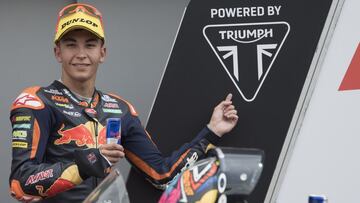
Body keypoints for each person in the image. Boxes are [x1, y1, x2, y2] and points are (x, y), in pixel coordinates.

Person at [9, 3, 238, 203]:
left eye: (90, 45)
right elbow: (20, 182)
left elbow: (162, 175)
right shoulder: (37, 101)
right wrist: (88, 163)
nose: (81, 54)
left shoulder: (119, 109)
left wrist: (211, 132)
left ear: (103, 52)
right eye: (71, 44)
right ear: (58, 52)